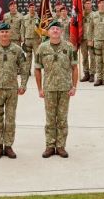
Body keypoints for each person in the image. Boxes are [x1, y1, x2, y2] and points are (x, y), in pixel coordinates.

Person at [0, 21, 29, 158]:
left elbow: (24, 68)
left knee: (10, 119)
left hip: (12, 89)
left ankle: (8, 146)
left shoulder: (17, 50)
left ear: (10, 33)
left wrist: (23, 85)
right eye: (2, 32)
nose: (4, 34)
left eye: (7, 31)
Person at [34, 20, 79, 158]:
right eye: (52, 29)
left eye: (57, 29)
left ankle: (60, 146)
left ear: (61, 32)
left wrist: (74, 86)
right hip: (49, 88)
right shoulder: (42, 48)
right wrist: (40, 89)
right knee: (50, 119)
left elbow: (74, 68)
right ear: (48, 32)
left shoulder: (69, 47)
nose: (55, 31)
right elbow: (37, 69)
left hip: (65, 88)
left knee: (62, 119)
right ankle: (50, 145)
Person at [20, 2, 41, 70]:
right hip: (27, 39)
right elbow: (22, 29)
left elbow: (42, 28)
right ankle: (27, 70)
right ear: (28, 8)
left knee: (36, 55)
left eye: (33, 7)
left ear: (35, 8)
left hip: (36, 39)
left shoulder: (38, 17)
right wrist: (23, 38)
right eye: (30, 7)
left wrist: (41, 38)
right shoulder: (24, 17)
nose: (32, 9)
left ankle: (37, 69)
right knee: (28, 55)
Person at [80, 0, 94, 82]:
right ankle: (86, 73)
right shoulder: (81, 15)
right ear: (84, 5)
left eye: (89, 3)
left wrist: (93, 38)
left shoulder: (94, 14)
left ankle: (92, 74)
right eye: (86, 3)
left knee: (92, 57)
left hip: (91, 38)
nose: (88, 5)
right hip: (83, 39)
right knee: (84, 57)